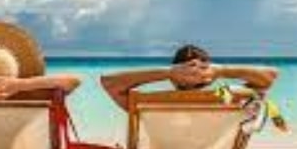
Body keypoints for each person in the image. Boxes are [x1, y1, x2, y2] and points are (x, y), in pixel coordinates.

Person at [101, 44, 278, 110]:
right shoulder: (231, 100)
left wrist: (168, 72)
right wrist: (221, 70)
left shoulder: (148, 105)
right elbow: (270, 76)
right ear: (210, 78)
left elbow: (108, 82)